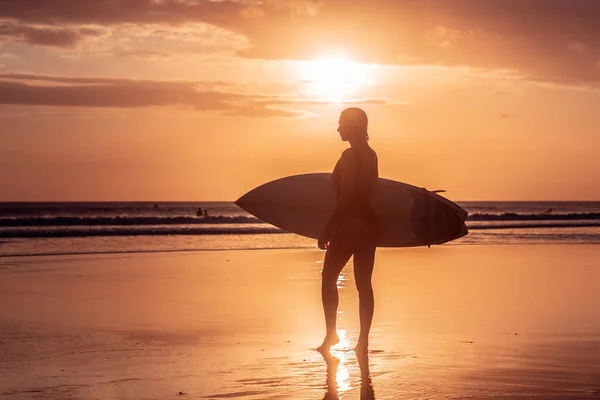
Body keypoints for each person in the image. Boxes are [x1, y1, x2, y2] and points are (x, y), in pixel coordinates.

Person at [317, 107, 379, 355]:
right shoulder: (371, 154)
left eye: (342, 123)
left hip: (350, 224)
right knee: (364, 283)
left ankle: (331, 335)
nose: (338, 128)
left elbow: (348, 196)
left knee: (328, 277)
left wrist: (328, 227)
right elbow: (369, 191)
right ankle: (363, 341)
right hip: (369, 226)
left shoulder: (349, 156)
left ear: (352, 126)